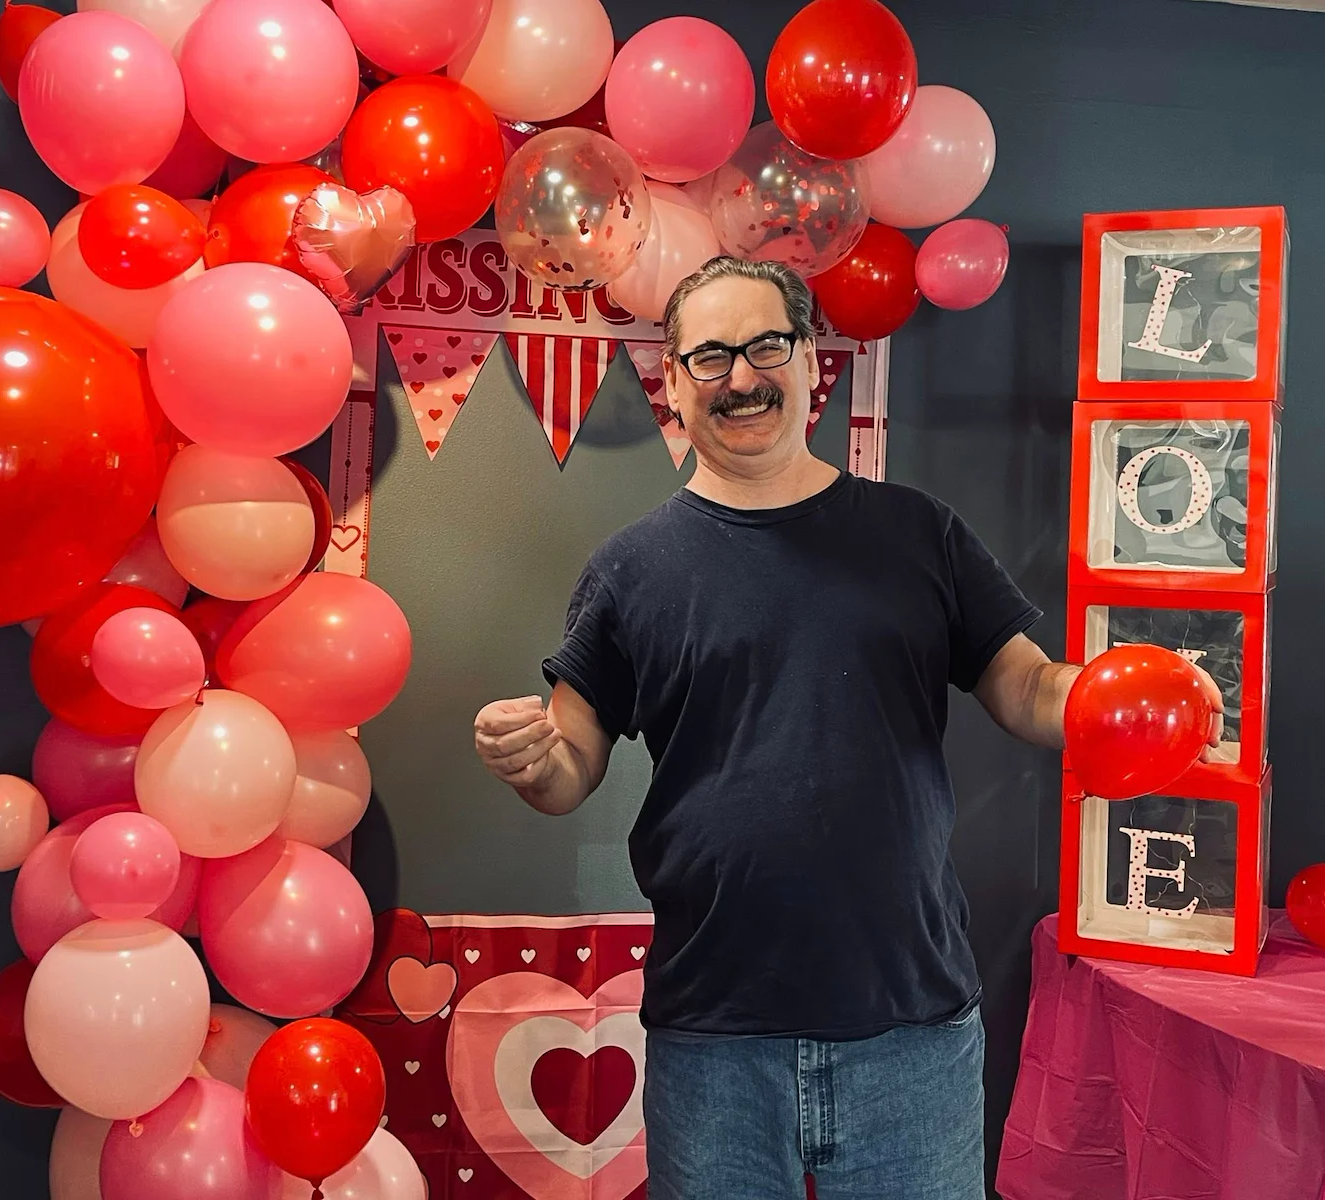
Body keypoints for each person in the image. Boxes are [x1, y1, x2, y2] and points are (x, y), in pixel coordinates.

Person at [473, 256, 1221, 1200]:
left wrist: (1125, 698)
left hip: (911, 1029)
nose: (740, 377)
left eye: (765, 346)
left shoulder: (920, 534)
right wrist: (532, 758)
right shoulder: (630, 569)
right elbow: (570, 765)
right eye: (710, 357)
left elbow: (1028, 688)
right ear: (672, 383)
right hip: (714, 1033)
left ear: (810, 361)